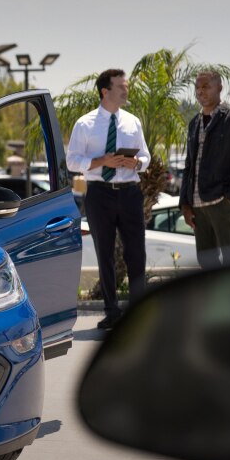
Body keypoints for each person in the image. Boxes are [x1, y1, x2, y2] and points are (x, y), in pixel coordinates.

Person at [66, 68, 150, 330]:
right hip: (99, 194)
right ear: (106, 91)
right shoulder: (85, 123)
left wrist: (135, 162)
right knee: (105, 253)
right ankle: (112, 311)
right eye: (121, 86)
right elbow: (72, 161)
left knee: (137, 253)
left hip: (130, 193)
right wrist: (103, 161)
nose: (126, 90)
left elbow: (146, 158)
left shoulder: (132, 122)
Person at [179, 69, 230, 269]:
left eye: (206, 86)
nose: (200, 91)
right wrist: (185, 204)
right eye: (197, 87)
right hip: (197, 206)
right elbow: (189, 166)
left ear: (219, 88)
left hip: (222, 203)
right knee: (206, 263)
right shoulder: (194, 123)